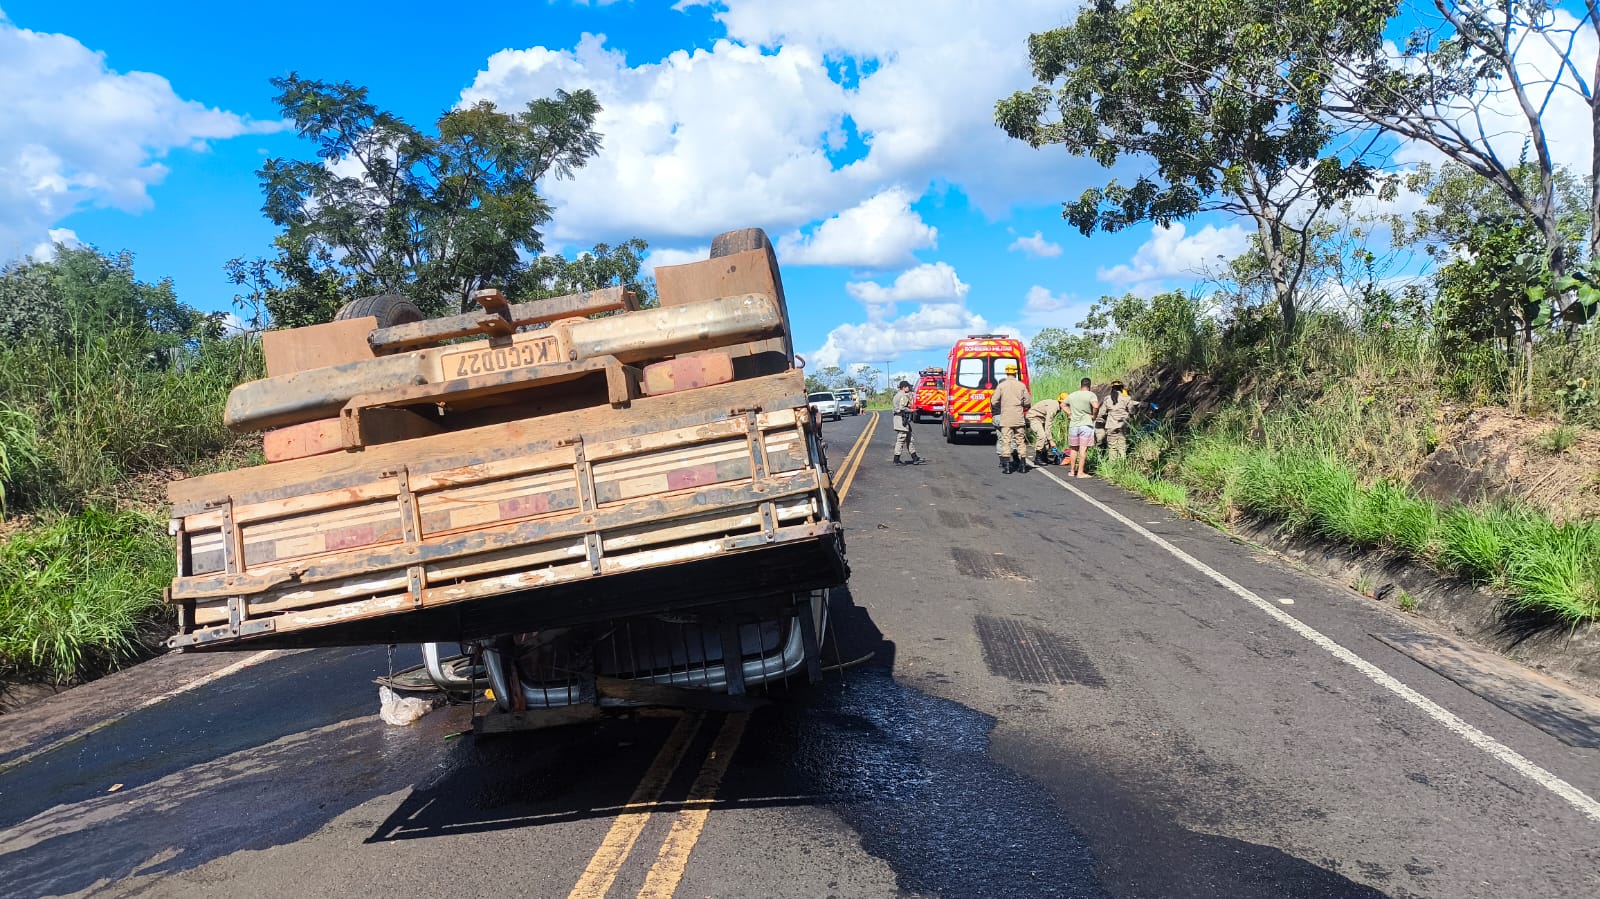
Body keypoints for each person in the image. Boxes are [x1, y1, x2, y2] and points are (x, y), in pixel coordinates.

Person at [990, 362, 1032, 473]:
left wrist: (1004, 403)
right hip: (1018, 417)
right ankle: (1023, 466)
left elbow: (994, 401)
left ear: (1006, 372)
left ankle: (1007, 467)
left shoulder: (1001, 386)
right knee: (1020, 441)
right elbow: (1027, 402)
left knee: (1006, 441)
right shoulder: (1021, 385)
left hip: (1006, 418)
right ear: (1015, 373)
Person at [1098, 379, 1143, 461]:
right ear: (1122, 388)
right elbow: (1132, 411)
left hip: (1111, 425)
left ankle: (1113, 465)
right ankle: (1122, 464)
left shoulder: (1107, 399)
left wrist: (1104, 418)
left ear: (1112, 388)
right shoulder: (1127, 398)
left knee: (1112, 447)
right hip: (1123, 425)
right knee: (1122, 445)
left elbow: (1101, 413)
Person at [1064, 377, 1100, 479]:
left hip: (1074, 425)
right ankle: (1080, 472)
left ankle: (1072, 471)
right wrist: (1094, 416)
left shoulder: (1073, 395)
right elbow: (1096, 406)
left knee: (1073, 449)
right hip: (1086, 425)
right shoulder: (1091, 395)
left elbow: (1063, 404)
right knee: (1083, 450)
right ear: (1089, 386)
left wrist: (1069, 413)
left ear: (1081, 385)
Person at [891, 380, 927, 465]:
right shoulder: (903, 395)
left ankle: (915, 457)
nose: (909, 388)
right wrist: (912, 410)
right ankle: (896, 459)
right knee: (901, 438)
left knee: (909, 438)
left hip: (900, 418)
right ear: (904, 387)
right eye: (908, 387)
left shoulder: (897, 395)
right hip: (901, 419)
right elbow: (902, 408)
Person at [1026, 392, 1064, 465]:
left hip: (1041, 419)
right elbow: (1048, 424)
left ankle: (1044, 457)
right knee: (1042, 435)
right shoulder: (1054, 407)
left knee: (1046, 437)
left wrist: (1049, 438)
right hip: (1034, 417)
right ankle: (1038, 458)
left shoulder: (1058, 406)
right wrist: (1051, 440)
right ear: (1061, 402)